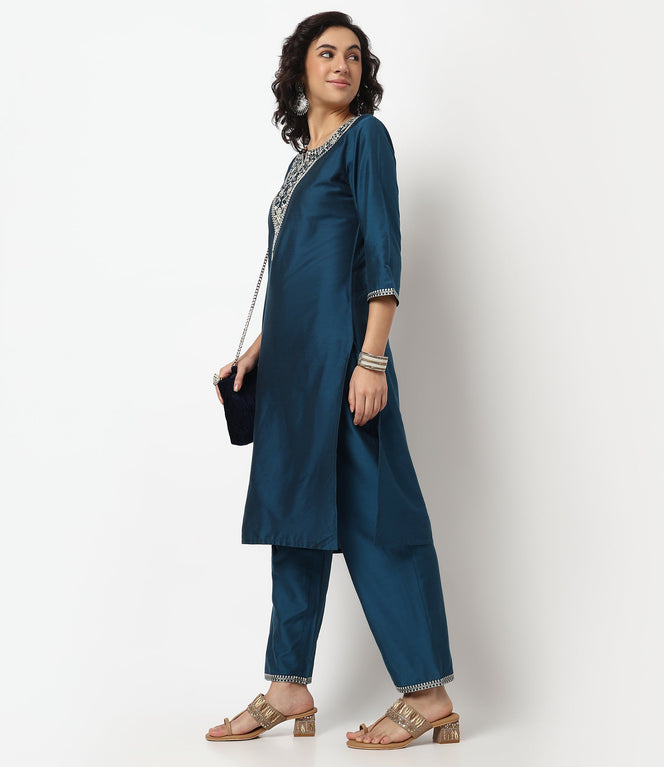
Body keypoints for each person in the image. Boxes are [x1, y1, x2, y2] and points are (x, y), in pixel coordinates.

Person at [207, 12, 460, 750]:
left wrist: (371, 359)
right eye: (326, 53)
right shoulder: (300, 162)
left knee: (379, 518)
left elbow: (382, 249)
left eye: (353, 55)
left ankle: (429, 692)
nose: (342, 64)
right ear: (301, 70)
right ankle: (287, 684)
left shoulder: (364, 140)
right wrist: (259, 351)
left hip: (346, 365)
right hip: (292, 372)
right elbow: (306, 274)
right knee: (294, 521)